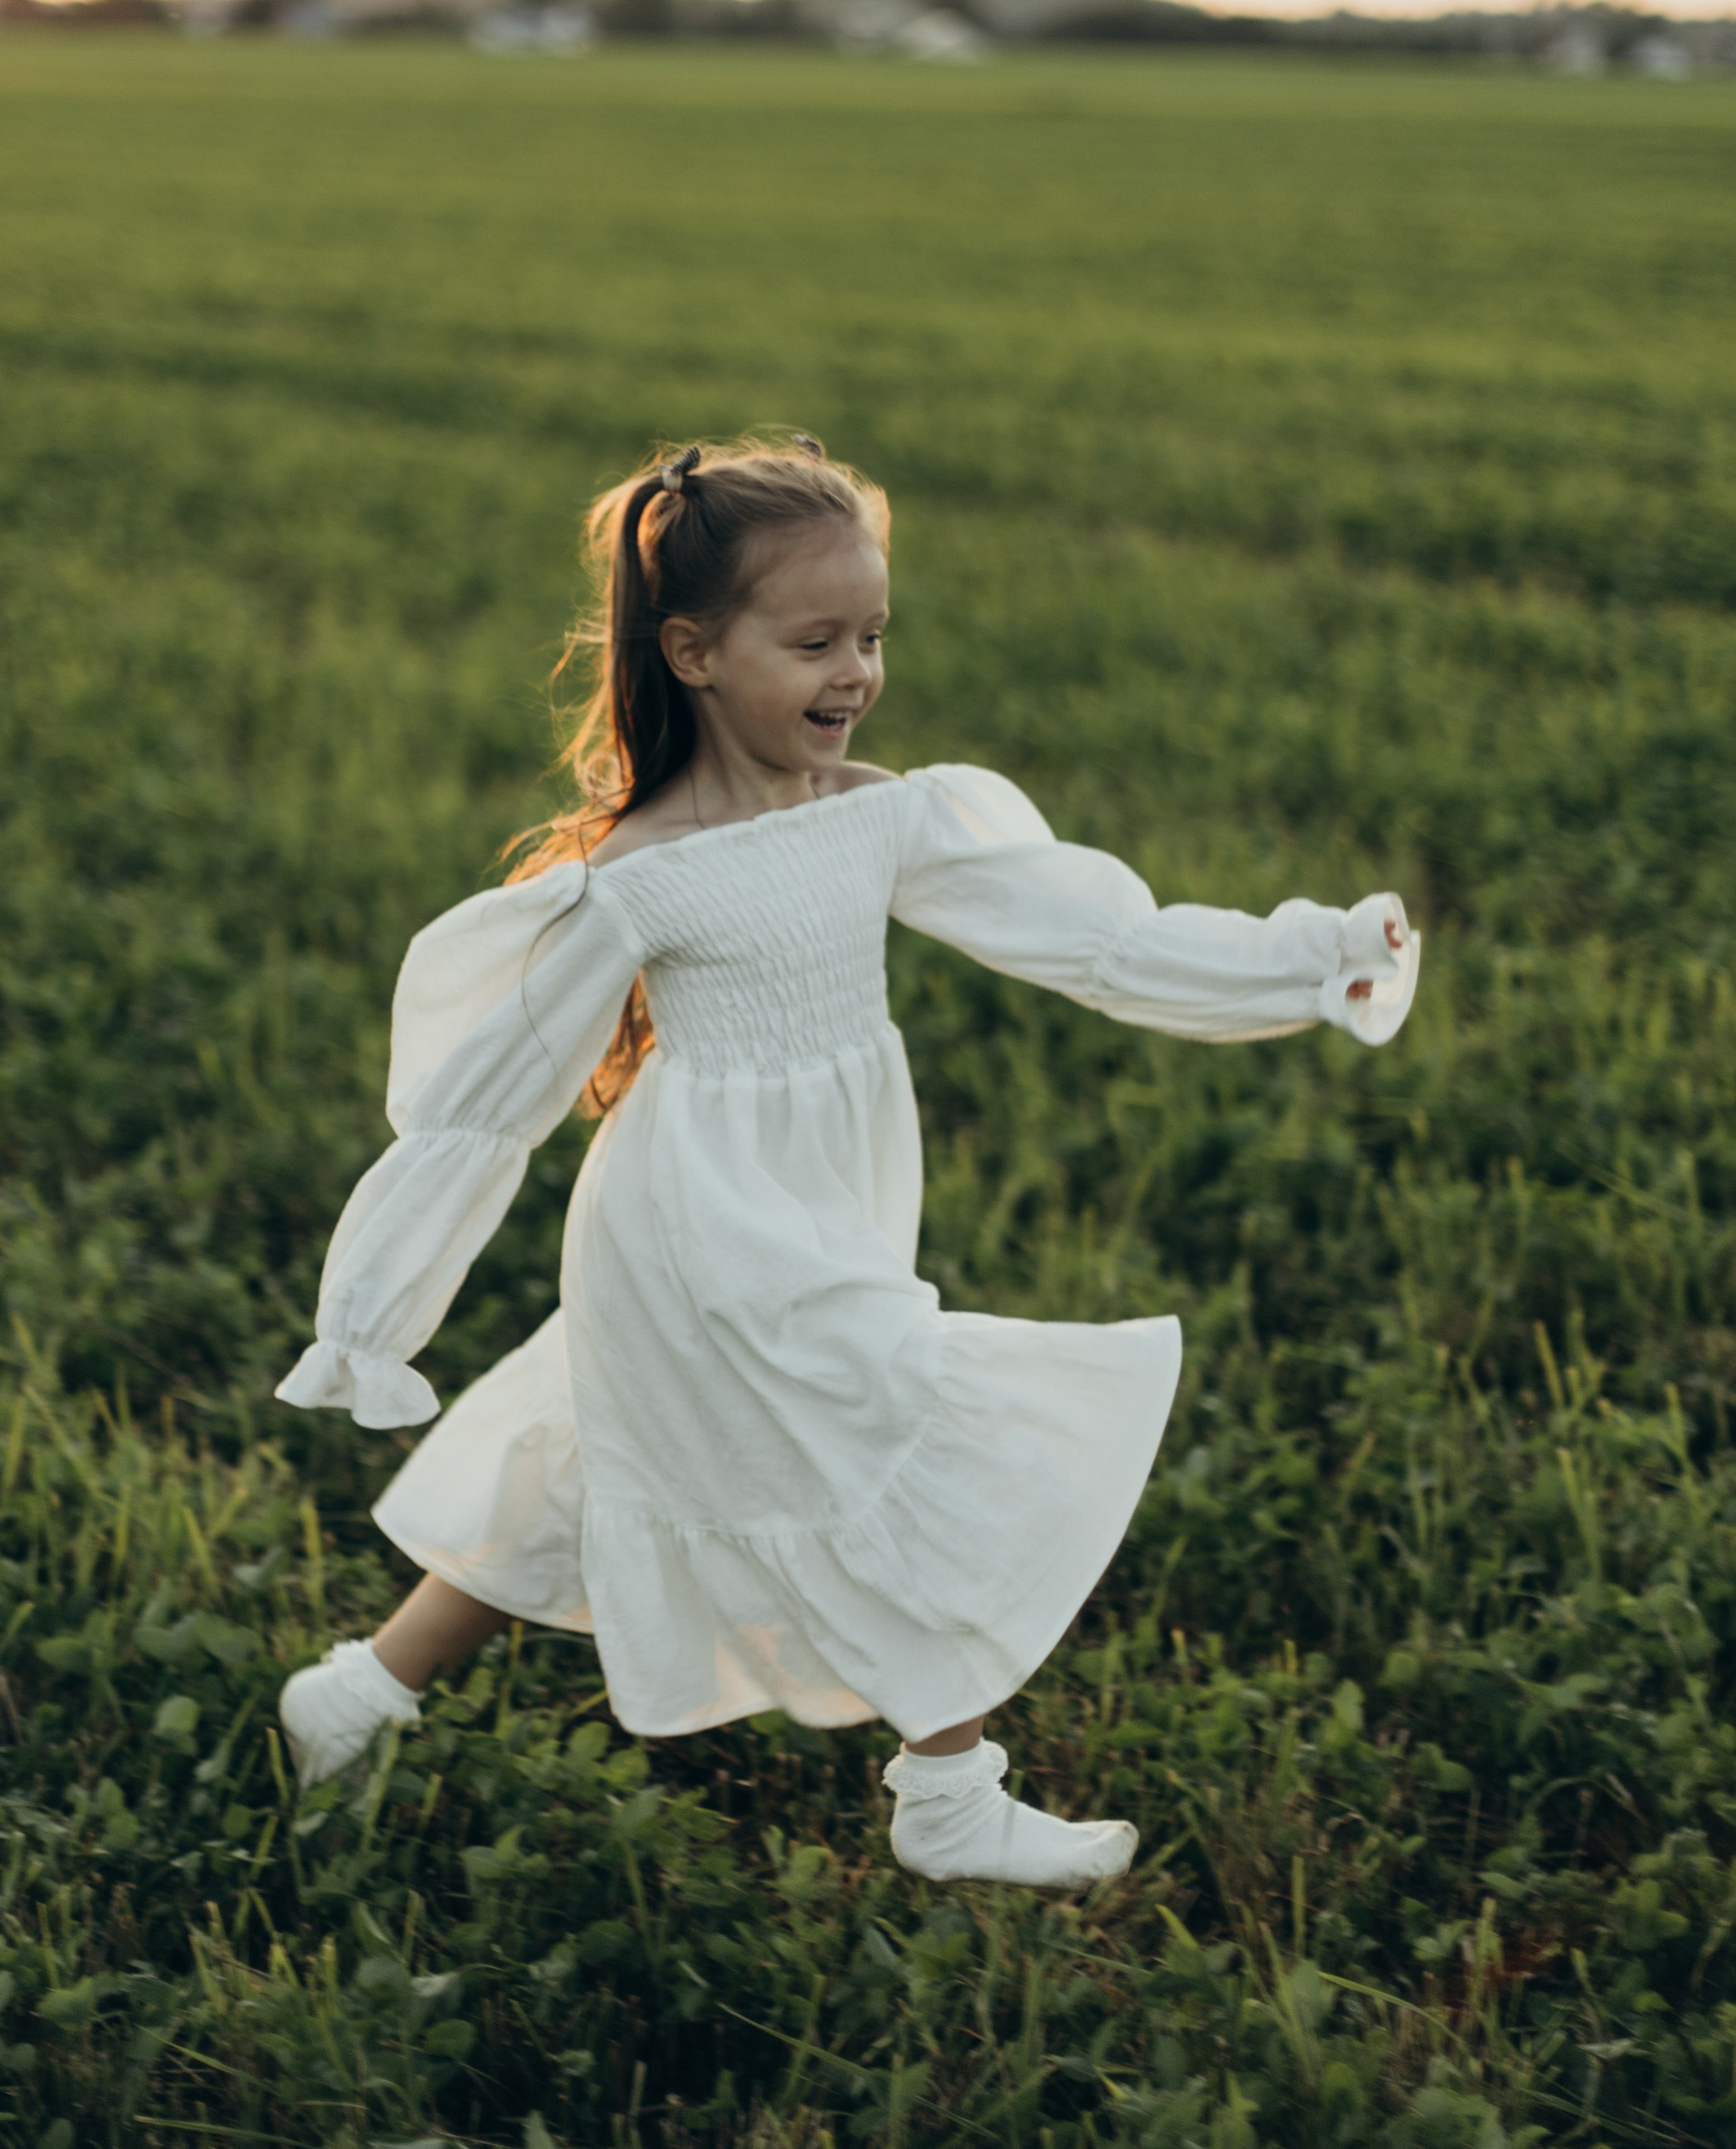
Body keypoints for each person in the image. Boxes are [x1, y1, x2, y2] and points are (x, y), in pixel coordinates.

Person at [273, 437, 1418, 1888]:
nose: (855, 673)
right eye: (812, 642)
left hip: (821, 1196)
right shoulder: (641, 877)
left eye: (872, 637)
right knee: (887, 1428)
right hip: (702, 1225)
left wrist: (1306, 961)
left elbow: (1100, 936)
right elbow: (478, 1116)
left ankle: (357, 1696)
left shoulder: (881, 814)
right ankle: (951, 1798)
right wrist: (367, 1323)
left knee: (591, 1464)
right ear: (692, 651)